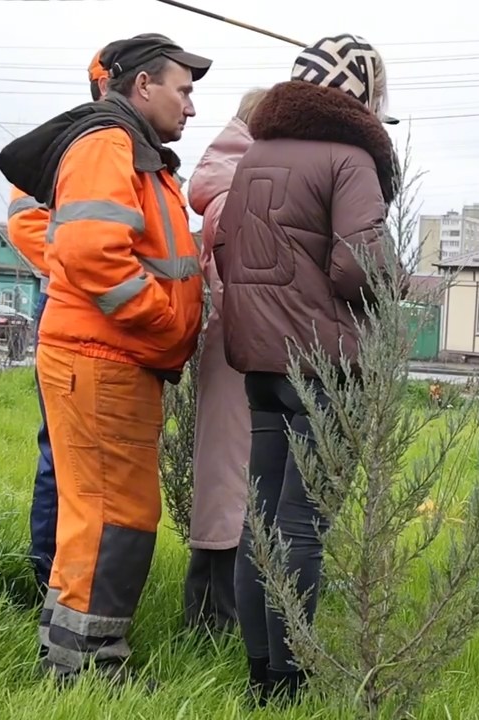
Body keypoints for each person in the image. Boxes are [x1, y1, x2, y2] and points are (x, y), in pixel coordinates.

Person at [0, 33, 212, 683]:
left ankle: (73, 659)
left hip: (110, 356)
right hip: (104, 355)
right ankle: (87, 669)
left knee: (102, 513)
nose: (191, 106)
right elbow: (93, 254)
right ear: (143, 85)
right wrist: (163, 318)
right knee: (113, 516)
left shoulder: (124, 145)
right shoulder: (107, 142)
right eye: (184, 89)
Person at [214, 34, 399, 705]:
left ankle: (261, 675)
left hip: (260, 363)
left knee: (258, 521)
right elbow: (359, 263)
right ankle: (291, 682)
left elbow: (226, 245)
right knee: (301, 526)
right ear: (363, 94)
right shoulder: (351, 158)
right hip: (327, 368)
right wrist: (396, 280)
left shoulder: (256, 153)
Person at [6, 46, 112, 598]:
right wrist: (89, 275)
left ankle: (89, 582)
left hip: (113, 320)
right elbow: (25, 224)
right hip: (71, 313)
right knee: (61, 450)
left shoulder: (131, 149)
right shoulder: (65, 145)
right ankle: (46, 573)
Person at [183, 87, 267, 634]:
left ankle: (211, 616)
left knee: (226, 484)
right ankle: (219, 618)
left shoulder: (229, 171)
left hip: (234, 347)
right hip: (243, 349)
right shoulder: (243, 184)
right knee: (233, 489)